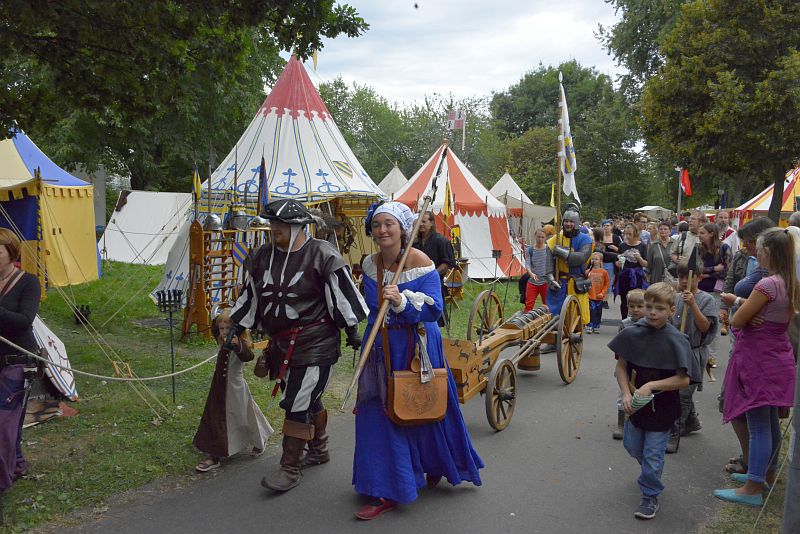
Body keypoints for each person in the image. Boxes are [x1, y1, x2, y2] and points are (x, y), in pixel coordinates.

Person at [353, 202, 483, 520]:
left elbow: (434, 309)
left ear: (402, 229)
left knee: (423, 408)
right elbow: (369, 308)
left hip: (415, 346)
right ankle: (386, 485)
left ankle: (433, 463)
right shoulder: (369, 264)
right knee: (379, 413)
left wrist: (401, 301)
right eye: (377, 225)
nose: (382, 230)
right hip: (380, 347)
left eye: (389, 224)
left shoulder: (421, 262)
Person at [229, 199, 368, 492]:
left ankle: (289, 468)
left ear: (298, 226)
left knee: (297, 402)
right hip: (281, 344)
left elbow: (342, 297)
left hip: (316, 343)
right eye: (272, 223)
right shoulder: (262, 256)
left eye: (281, 223)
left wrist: (352, 330)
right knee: (308, 397)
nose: (274, 228)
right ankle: (319, 449)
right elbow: (250, 296)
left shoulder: (323, 255)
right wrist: (237, 326)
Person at [714, 227, 799, 507]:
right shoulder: (791, 281)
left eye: (759, 249)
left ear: (767, 252)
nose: (756, 254)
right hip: (778, 354)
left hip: (759, 357)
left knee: (759, 424)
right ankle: (765, 474)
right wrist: (747, 308)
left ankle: (752, 487)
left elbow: (738, 320)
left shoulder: (767, 285)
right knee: (770, 421)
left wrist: (737, 304)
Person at [609, 282, 699, 520]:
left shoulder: (677, 339)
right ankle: (651, 472)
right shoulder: (632, 333)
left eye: (659, 308)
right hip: (636, 405)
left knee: (652, 454)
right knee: (632, 446)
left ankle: (650, 495)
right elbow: (621, 367)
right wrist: (626, 393)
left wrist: (651, 385)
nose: (652, 312)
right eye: (648, 306)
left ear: (671, 310)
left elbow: (684, 380)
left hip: (663, 407)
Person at [718, 217, 776, 475]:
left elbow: (741, 317)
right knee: (762, 416)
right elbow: (732, 280)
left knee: (751, 412)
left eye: (750, 243)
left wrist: (739, 303)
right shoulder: (760, 269)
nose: (746, 248)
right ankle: (759, 466)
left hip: (756, 348)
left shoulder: (770, 279)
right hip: (749, 342)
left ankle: (755, 476)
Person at [193, 310, 273, 473]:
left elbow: (248, 356)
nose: (224, 332)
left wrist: (237, 342)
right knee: (218, 416)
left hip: (235, 387)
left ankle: (260, 439)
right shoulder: (221, 339)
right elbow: (215, 326)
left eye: (228, 329)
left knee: (244, 414)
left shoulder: (239, 342)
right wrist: (230, 311)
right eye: (222, 329)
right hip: (219, 386)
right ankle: (215, 454)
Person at [0, 228, 40, 524]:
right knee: (8, 423)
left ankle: (2, 481)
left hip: (17, 361)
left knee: (3, 423)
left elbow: (25, 320)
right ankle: (16, 463)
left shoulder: (28, 282)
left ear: (11, 252)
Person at [666, 262, 718, 454]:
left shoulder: (706, 300)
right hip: (676, 351)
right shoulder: (676, 297)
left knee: (682, 395)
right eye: (680, 277)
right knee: (677, 390)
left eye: (687, 278)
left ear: (699, 278)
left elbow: (705, 327)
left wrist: (693, 305)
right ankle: (692, 422)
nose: (682, 281)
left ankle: (674, 433)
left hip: (694, 352)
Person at [547, 204, 593, 325]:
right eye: (566, 221)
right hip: (559, 282)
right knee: (554, 318)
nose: (568, 224)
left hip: (576, 282)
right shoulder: (555, 239)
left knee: (575, 318)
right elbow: (548, 261)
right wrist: (550, 278)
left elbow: (581, 258)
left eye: (572, 221)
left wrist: (562, 252)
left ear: (577, 222)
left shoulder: (585, 239)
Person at [611, 289, 647, 440]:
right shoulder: (625, 324)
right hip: (627, 364)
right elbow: (618, 346)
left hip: (644, 366)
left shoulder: (651, 324)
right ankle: (621, 424)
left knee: (642, 394)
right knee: (623, 394)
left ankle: (641, 421)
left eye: (640, 306)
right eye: (632, 306)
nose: (635, 309)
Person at [413, 211, 456, 327]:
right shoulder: (414, 243)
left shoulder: (441, 241)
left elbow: (448, 262)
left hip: (434, 284)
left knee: (434, 318)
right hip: (416, 283)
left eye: (424, 221)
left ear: (432, 223)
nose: (421, 224)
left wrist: (433, 274)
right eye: (419, 221)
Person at [614, 223, 649, 320]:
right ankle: (624, 321)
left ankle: (638, 320)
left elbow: (645, 264)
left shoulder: (642, 246)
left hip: (637, 276)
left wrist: (639, 258)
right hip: (624, 275)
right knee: (624, 300)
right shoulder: (622, 245)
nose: (628, 236)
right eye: (626, 234)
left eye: (630, 234)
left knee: (638, 299)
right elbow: (617, 261)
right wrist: (618, 264)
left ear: (635, 234)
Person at [668, 210, 706, 275]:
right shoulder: (683, 235)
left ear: (701, 222)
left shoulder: (706, 237)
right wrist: (677, 259)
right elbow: (672, 253)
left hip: (699, 275)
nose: (689, 220)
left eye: (693, 219)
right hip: (683, 274)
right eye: (690, 218)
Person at [524, 228, 552, 311]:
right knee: (529, 305)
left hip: (545, 282)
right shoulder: (530, 250)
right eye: (538, 237)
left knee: (547, 305)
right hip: (533, 282)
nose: (540, 239)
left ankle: (547, 319)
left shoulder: (548, 249)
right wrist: (531, 273)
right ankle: (527, 318)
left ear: (545, 238)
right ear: (535, 236)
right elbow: (527, 263)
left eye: (542, 237)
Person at [586, 252, 609, 334]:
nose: (594, 260)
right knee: (591, 310)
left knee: (598, 311)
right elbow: (585, 283)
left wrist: (603, 293)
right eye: (592, 259)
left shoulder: (604, 272)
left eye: (596, 259)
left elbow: (607, 284)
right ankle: (589, 325)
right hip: (590, 295)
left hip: (599, 296)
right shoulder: (588, 271)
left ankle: (597, 325)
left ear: (600, 261)